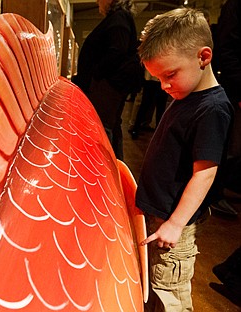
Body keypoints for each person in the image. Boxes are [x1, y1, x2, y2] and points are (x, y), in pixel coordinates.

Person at [135, 8, 233, 311]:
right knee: (153, 286)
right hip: (160, 217)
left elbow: (205, 174)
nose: (163, 85)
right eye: (158, 78)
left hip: (174, 227)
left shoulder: (213, 109)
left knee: (169, 294)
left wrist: (175, 224)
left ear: (203, 56)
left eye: (169, 75)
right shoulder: (184, 95)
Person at [72, 0, 143, 160]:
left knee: (103, 127)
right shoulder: (120, 19)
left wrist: (96, 74)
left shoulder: (119, 19)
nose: (98, 1)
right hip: (110, 83)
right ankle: (115, 168)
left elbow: (117, 51)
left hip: (108, 85)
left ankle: (103, 170)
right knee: (111, 125)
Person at [210, 0, 241, 217]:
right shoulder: (235, 6)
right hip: (234, 87)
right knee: (228, 145)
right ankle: (215, 193)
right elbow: (227, 48)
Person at [129, 69, 168, 139]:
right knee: (160, 107)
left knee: (145, 105)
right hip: (161, 78)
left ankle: (136, 129)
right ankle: (158, 134)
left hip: (150, 77)